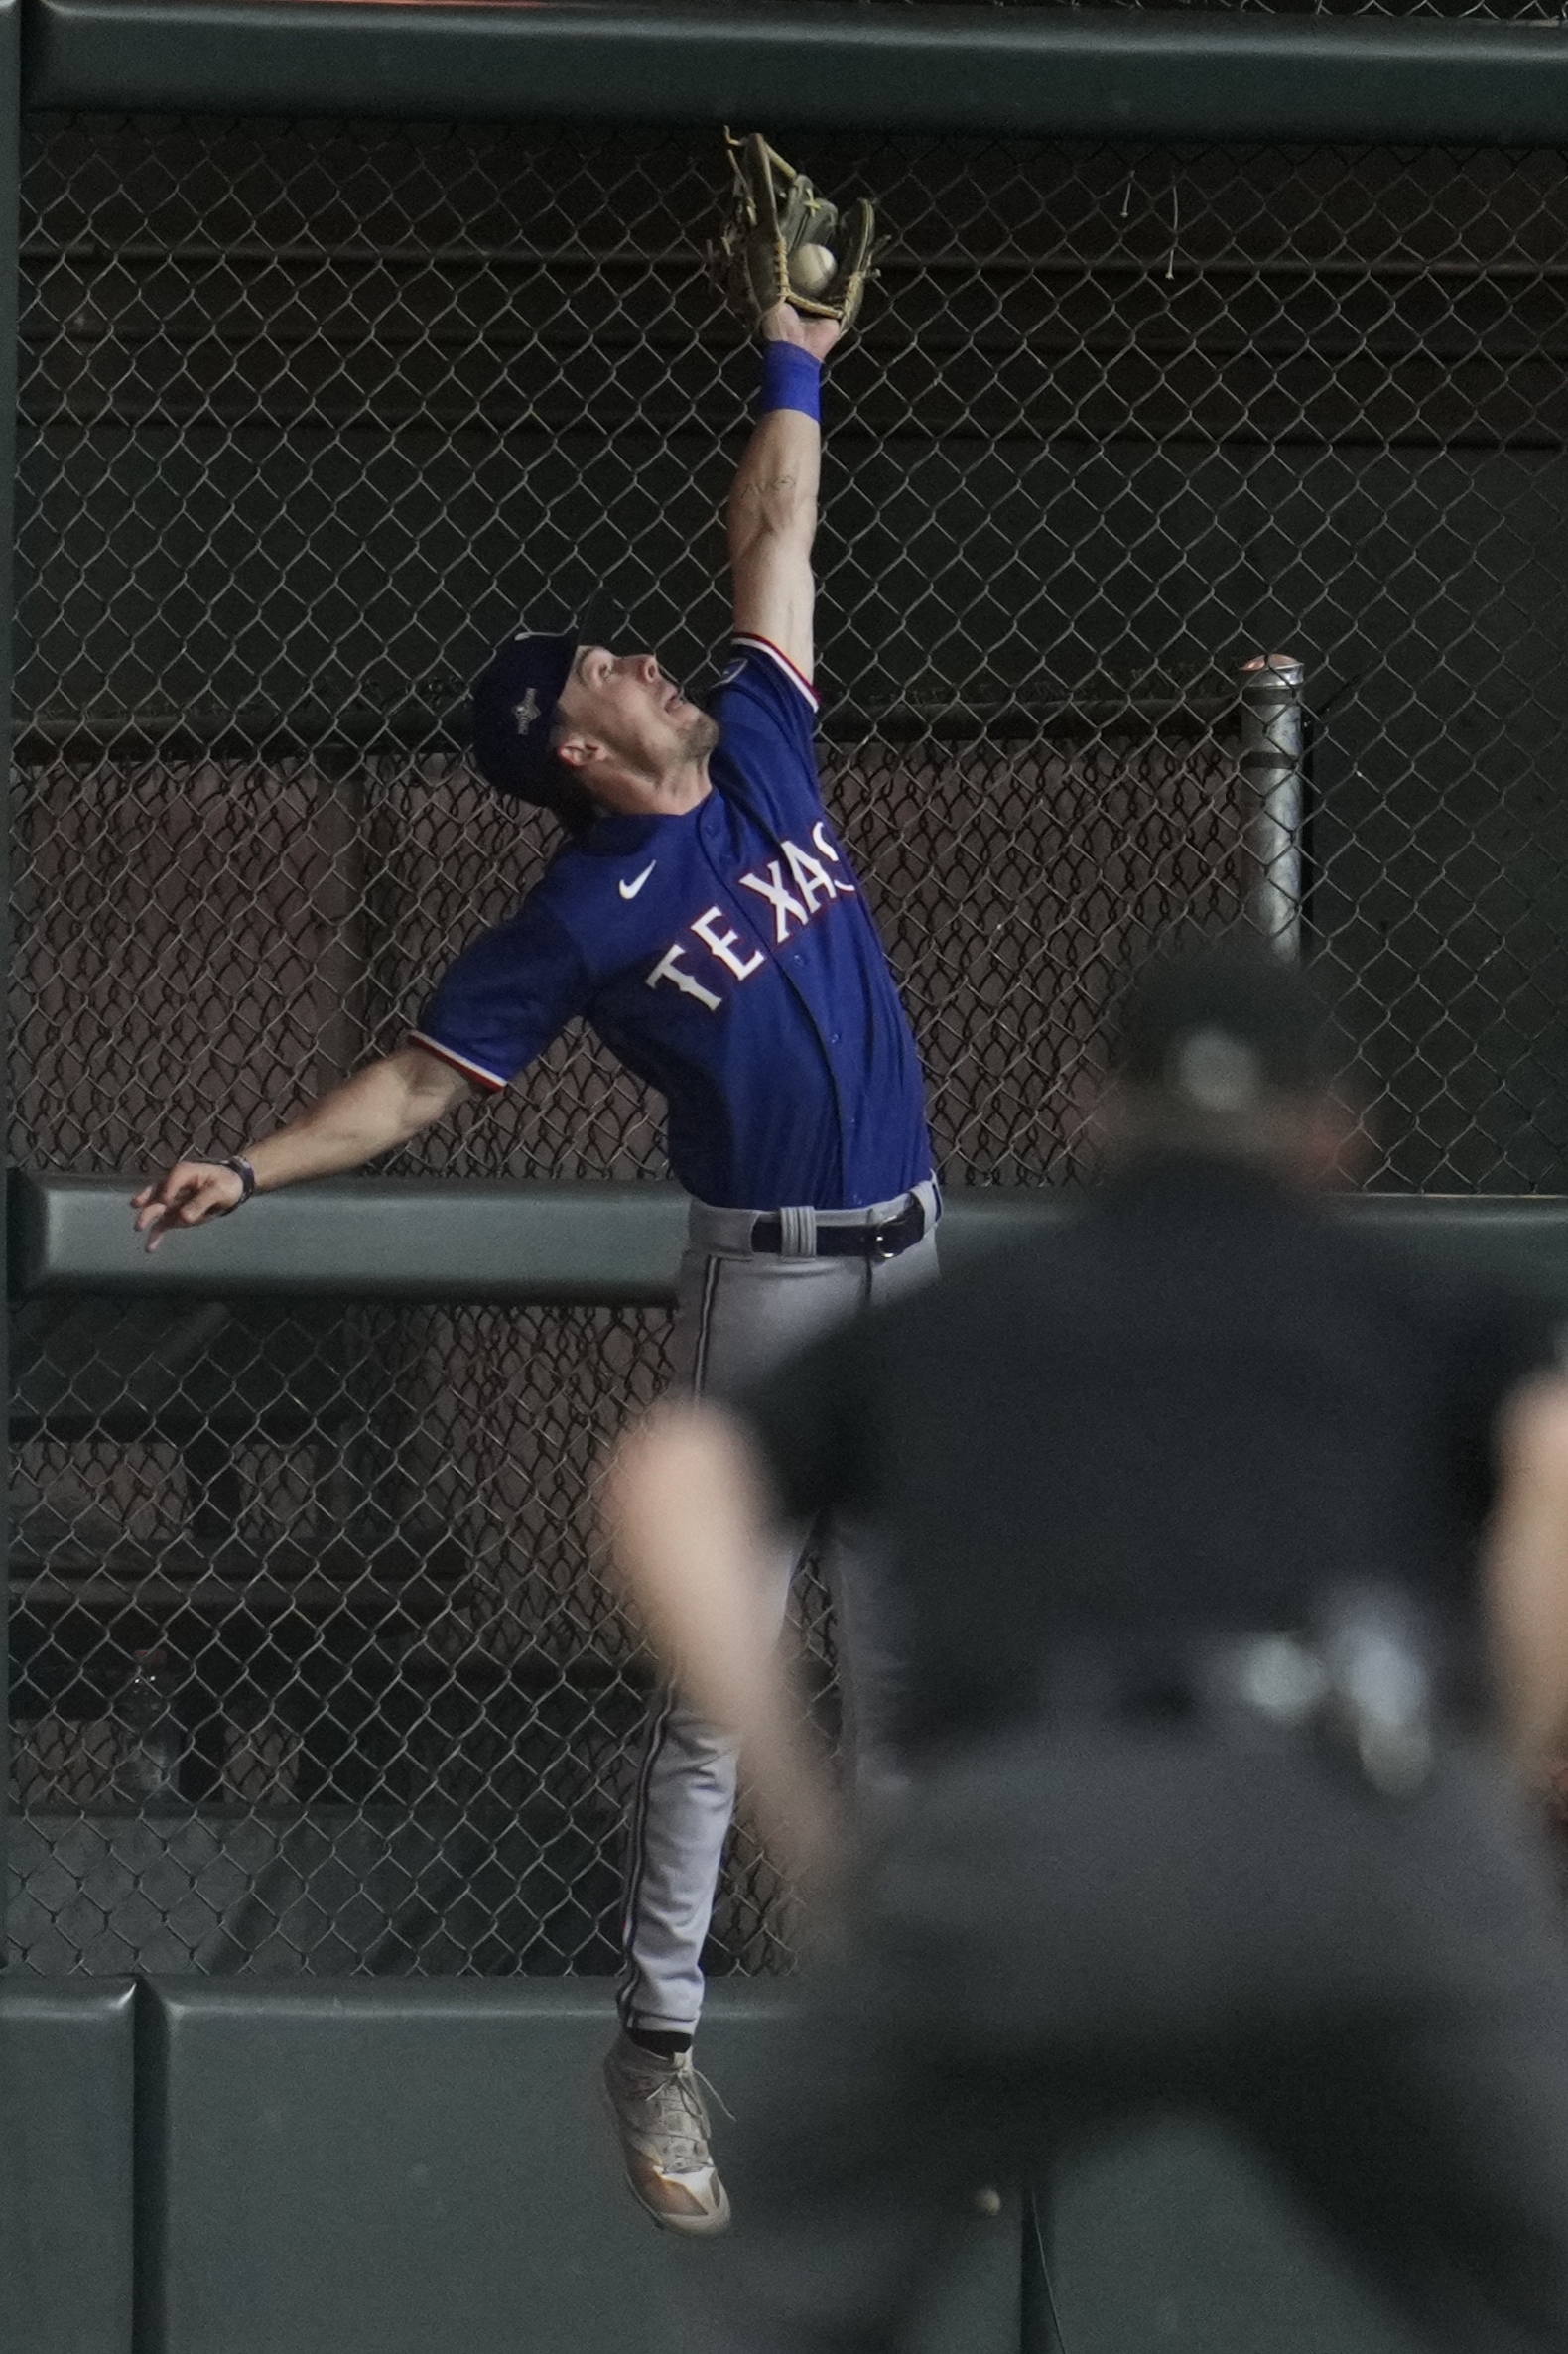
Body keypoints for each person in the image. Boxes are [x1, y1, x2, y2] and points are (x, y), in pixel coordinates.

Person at [130, 298, 938, 2236]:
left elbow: (774, 540)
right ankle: (657, 2041)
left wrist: (792, 355)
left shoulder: (754, 747)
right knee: (724, 1671)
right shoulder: (582, 908)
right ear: (578, 747)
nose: (646, 657)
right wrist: (252, 1156)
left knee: (910, 1663)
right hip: (771, 1283)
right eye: (607, 668)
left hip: (917, 1255)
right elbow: (418, 1083)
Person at [606, 942, 1568, 2353]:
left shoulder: (967, 1315)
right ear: (1336, 1131)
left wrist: (806, 1814)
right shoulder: (1425, 1306)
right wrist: (1489, 1772)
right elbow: (1555, 1456)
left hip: (1026, 1845)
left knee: (763, 2310)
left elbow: (666, 1480)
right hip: (1364, 1822)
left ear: (1093, 1118)